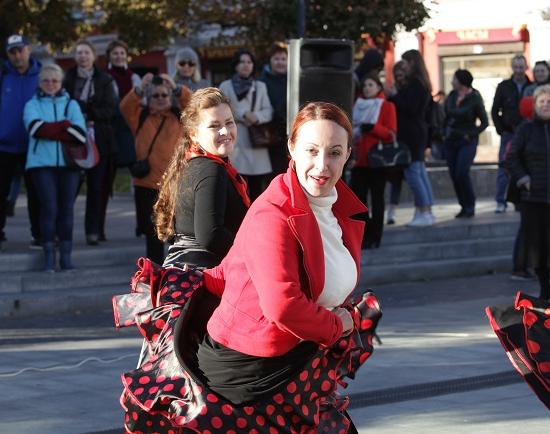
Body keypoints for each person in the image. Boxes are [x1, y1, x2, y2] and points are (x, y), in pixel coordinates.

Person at [114, 102, 381, 433]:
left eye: (334, 152)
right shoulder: (273, 209)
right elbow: (282, 304)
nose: (322, 164)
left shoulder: (335, 208)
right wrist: (334, 326)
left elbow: (227, 269)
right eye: (311, 150)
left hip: (295, 359)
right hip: (250, 374)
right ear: (291, 148)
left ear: (348, 154)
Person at [154, 87, 249, 269]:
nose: (225, 131)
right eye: (214, 126)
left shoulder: (192, 164)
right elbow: (210, 236)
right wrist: (252, 251)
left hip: (185, 267)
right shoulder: (211, 170)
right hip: (205, 277)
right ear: (194, 134)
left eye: (229, 122)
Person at [120, 73, 192, 265]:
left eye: (164, 95)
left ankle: (174, 271)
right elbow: (125, 106)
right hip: (146, 183)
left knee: (176, 231)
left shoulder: (180, 117)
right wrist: (139, 89)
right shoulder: (141, 117)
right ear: (148, 99)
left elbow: (195, 106)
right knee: (151, 232)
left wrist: (177, 89)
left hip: (175, 184)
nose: (160, 99)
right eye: (155, 96)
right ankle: (154, 273)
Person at [23, 64, 86, 271]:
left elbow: (79, 135)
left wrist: (50, 129)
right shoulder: (31, 104)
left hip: (69, 166)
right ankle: (49, 257)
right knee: (49, 208)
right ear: (40, 83)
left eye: (55, 81)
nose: (50, 84)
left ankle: (66, 258)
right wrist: (64, 126)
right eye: (46, 80)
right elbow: (35, 129)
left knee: (66, 210)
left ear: (61, 83)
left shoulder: (72, 105)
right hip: (41, 165)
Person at [63, 39, 117, 245]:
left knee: (96, 188)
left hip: (100, 140)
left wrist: (89, 109)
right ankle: (62, 232)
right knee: (69, 188)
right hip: (72, 138)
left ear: (94, 56)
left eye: (86, 53)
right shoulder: (67, 78)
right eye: (79, 53)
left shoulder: (104, 80)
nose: (83, 56)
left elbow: (111, 109)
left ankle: (93, 232)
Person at [506, 84, 550, 300]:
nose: (546, 105)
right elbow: (512, 157)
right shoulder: (526, 129)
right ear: (535, 105)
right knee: (539, 247)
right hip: (534, 198)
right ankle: (544, 291)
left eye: (549, 102)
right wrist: (523, 178)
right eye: (542, 102)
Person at [0, 34, 41, 250]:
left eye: (20, 50)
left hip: (33, 146)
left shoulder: (42, 74)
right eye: (12, 52)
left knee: (35, 193)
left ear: (29, 49)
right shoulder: (4, 75)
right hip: (4, 146)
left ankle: (38, 235)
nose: (17, 55)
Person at [219, 48, 274, 201]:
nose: (245, 65)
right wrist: (243, 114)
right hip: (234, 142)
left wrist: (256, 117)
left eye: (249, 62)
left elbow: (268, 111)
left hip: (256, 142)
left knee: (257, 191)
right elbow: (220, 110)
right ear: (235, 65)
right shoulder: (225, 86)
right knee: (236, 189)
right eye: (242, 62)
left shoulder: (260, 86)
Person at [388, 49, 435, 227]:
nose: (404, 66)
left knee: (414, 173)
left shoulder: (415, 84)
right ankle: (427, 211)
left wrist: (394, 96)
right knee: (420, 172)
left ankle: (424, 211)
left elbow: (410, 108)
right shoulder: (421, 82)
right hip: (418, 132)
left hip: (412, 134)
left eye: (406, 63)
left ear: (412, 63)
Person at [351, 72, 396, 248]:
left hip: (378, 161)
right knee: (358, 200)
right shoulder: (357, 105)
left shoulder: (387, 106)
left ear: (378, 87)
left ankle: (376, 236)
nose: (367, 88)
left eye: (371, 85)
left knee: (377, 199)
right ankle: (365, 234)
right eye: (365, 85)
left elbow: (391, 134)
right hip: (359, 161)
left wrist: (373, 128)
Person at [443, 69, 488, 218]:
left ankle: (470, 204)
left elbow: (484, 122)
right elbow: (445, 116)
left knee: (462, 172)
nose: (451, 82)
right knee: (454, 174)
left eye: (454, 79)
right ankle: (463, 205)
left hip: (466, 140)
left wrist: (472, 134)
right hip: (451, 140)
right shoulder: (451, 96)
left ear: (461, 81)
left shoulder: (474, 98)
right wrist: (442, 134)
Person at [491, 54, 531, 214]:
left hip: (527, 133)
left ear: (526, 67)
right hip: (509, 132)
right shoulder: (504, 86)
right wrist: (501, 128)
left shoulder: (532, 86)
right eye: (516, 67)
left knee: (526, 165)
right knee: (504, 166)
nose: (519, 70)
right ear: (512, 68)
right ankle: (500, 201)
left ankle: (520, 200)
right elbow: (495, 110)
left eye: (521, 67)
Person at [105, 39, 141, 168]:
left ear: (126, 56)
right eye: (115, 53)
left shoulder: (134, 78)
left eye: (122, 53)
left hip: (130, 126)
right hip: (111, 126)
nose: (119, 56)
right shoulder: (104, 77)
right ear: (109, 56)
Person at [259, 42, 289, 177]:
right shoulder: (262, 81)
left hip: (291, 130)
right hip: (271, 134)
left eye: (283, 59)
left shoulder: (294, 79)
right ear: (270, 61)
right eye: (276, 59)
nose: (280, 62)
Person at [385, 60, 407, 225]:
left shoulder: (405, 92)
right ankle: (390, 211)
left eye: (401, 75)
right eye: (397, 75)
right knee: (394, 179)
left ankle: (392, 210)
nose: (399, 78)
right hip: (391, 138)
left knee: (399, 179)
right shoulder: (392, 92)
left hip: (404, 139)